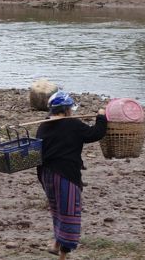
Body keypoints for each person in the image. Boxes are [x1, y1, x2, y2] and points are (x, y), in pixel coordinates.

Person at [36, 90, 107, 260]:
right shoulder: (73, 125)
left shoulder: (43, 126)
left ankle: (56, 243)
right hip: (65, 175)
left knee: (57, 210)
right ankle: (63, 256)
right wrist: (102, 117)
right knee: (69, 213)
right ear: (67, 109)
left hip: (47, 175)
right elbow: (95, 133)